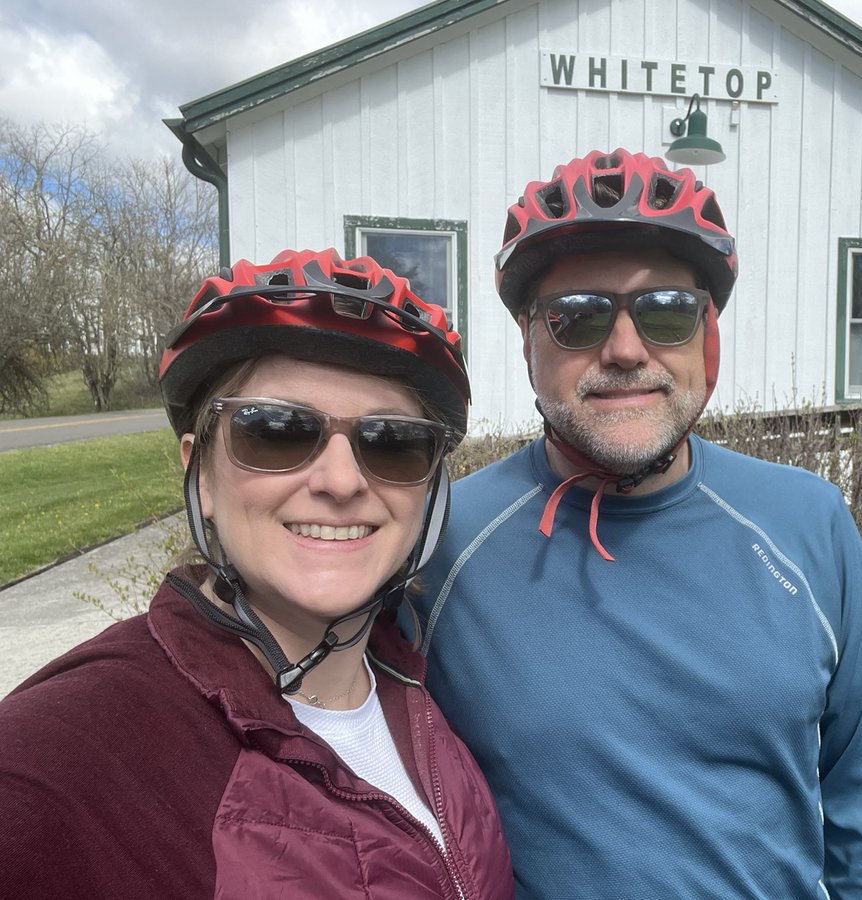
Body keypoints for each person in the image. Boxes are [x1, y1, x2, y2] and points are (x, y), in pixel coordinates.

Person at [414, 150, 862, 898]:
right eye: (577, 316)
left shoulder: (809, 522)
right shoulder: (442, 540)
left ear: (707, 332)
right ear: (529, 342)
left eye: (667, 311)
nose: (624, 349)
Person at [0, 249, 514, 899]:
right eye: (277, 430)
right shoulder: (74, 750)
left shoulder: (413, 678)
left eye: (393, 442)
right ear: (201, 472)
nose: (340, 482)